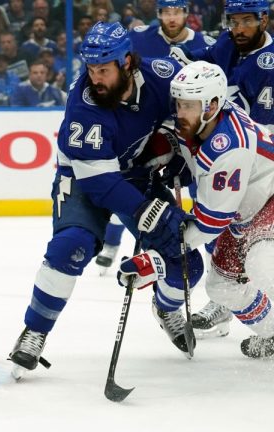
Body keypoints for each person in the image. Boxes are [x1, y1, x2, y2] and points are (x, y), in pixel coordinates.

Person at [8, 22, 191, 379]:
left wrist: (173, 150)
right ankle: (35, 330)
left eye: (103, 70)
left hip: (137, 172)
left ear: (127, 62)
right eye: (91, 69)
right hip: (83, 178)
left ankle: (165, 306)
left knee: (185, 259)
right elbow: (100, 183)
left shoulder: (162, 75)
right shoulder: (84, 103)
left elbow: (189, 107)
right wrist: (143, 212)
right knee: (70, 246)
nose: (96, 78)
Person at [119, 61, 274, 359]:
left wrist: (155, 259)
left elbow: (208, 226)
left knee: (262, 263)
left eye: (188, 106)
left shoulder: (229, 147)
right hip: (246, 211)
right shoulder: (203, 120)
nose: (180, 113)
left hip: (268, 198)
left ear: (213, 105)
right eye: (178, 104)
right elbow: (180, 142)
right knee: (222, 287)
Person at [170, 0, 274, 336]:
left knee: (260, 261)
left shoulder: (270, 66)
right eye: (234, 21)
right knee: (221, 268)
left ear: (264, 19)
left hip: (256, 163)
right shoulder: (230, 43)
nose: (239, 28)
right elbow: (203, 60)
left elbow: (253, 129)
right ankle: (243, 312)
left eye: (247, 21)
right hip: (228, 154)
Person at [97, 0, 215, 282]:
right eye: (166, 12)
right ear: (159, 13)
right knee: (131, 188)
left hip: (184, 132)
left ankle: (213, 259)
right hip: (143, 129)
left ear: (186, 14)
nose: (172, 17)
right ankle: (112, 244)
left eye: (177, 11)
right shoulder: (138, 38)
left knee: (205, 197)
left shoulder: (203, 44)